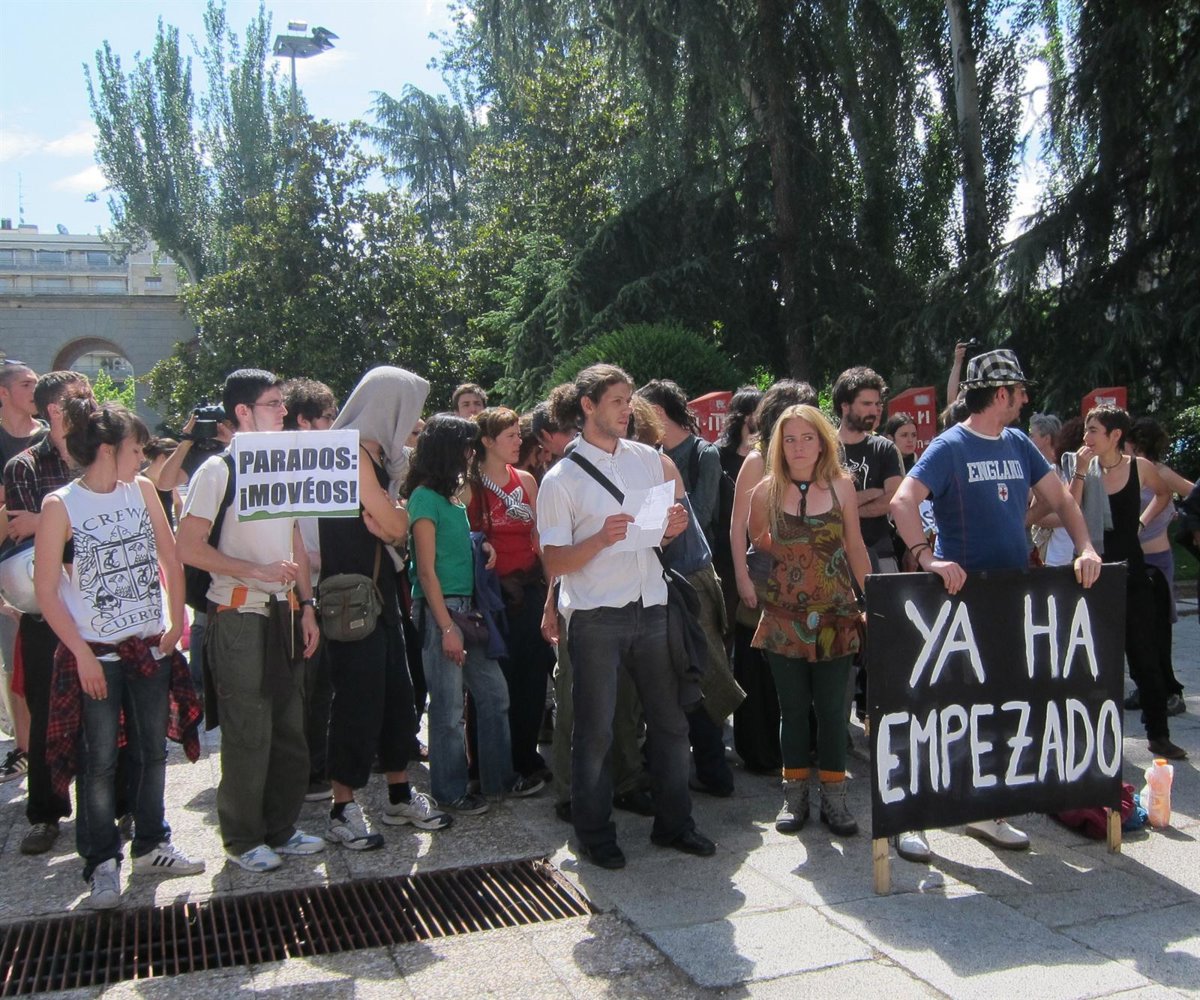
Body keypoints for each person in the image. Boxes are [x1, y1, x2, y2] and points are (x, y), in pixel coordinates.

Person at [891, 348, 1103, 859]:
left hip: (1010, 597)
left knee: (996, 705)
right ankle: (912, 818)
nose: (1026, 400)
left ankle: (986, 811)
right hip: (956, 598)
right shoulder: (950, 445)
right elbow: (902, 500)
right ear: (1001, 393)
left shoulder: (1018, 443)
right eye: (1020, 392)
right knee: (938, 710)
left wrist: (1086, 547)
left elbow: (1061, 498)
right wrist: (926, 556)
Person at [538, 364, 715, 870]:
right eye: (616, 399)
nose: (627, 408)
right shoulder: (561, 479)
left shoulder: (648, 460)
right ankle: (594, 834)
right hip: (596, 615)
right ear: (587, 406)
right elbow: (554, 562)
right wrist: (599, 538)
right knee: (595, 732)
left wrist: (671, 527)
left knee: (670, 723)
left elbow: (659, 534)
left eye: (629, 398)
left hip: (652, 604)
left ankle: (675, 824)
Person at [34, 398, 204, 908]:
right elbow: (46, 591)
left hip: (149, 647)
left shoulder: (144, 489)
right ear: (108, 449)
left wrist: (173, 622)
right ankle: (101, 860)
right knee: (99, 761)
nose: (143, 458)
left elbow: (170, 558)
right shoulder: (60, 505)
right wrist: (81, 655)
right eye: (136, 449)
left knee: (153, 751)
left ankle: (152, 843)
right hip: (97, 654)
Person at [176, 369, 324, 873]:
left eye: (282, 403)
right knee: (248, 730)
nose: (284, 412)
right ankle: (242, 839)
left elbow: (295, 538)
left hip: (285, 612)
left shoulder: (283, 465)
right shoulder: (217, 470)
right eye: (273, 404)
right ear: (243, 412)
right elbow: (187, 547)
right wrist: (254, 570)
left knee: (289, 726)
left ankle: (281, 827)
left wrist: (307, 604)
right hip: (238, 612)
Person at [319, 368, 452, 848]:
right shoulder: (347, 451)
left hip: (380, 594)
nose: (414, 419)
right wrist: (395, 521)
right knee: (357, 702)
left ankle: (398, 794)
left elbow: (396, 525)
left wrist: (394, 521)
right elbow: (397, 527)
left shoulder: (378, 456)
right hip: (352, 598)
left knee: (399, 695)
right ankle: (342, 808)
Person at [748, 404, 871, 836]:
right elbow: (758, 541)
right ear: (779, 446)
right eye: (790, 439)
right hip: (784, 618)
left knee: (834, 712)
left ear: (823, 442)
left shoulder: (843, 486)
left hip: (837, 615)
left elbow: (855, 546)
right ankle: (794, 795)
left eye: (807, 437)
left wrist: (873, 599)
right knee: (793, 710)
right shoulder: (764, 491)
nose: (799, 447)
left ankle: (835, 799)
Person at [405, 413, 532, 814]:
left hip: (467, 610)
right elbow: (426, 570)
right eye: (466, 446)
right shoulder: (424, 497)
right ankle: (450, 792)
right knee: (447, 711)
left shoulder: (451, 497)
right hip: (441, 612)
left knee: (494, 696)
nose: (471, 452)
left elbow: (456, 544)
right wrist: (446, 627)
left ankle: (497, 781)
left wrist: (481, 544)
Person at [3, 370, 92, 855]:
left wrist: (52, 522)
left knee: (108, 713)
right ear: (54, 410)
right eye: (80, 399)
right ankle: (45, 814)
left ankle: (118, 808)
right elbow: (24, 535)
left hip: (99, 604)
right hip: (47, 608)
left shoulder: (99, 451)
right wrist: (78, 523)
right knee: (45, 716)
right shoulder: (24, 466)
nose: (90, 406)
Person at [635, 380, 737, 798]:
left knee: (701, 676)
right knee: (688, 676)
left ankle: (713, 772)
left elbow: (656, 534)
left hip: (689, 580)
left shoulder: (659, 463)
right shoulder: (654, 461)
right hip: (676, 579)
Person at [1067, 406, 1184, 758]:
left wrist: (1141, 523)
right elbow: (1069, 509)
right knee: (1094, 661)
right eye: (1086, 430)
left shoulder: (1139, 467)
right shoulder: (1083, 467)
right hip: (1092, 571)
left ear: (1115, 435)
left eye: (1093, 430)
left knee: (1145, 656)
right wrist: (1080, 471)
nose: (1086, 437)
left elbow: (1164, 494)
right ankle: (1092, 741)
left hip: (1131, 569)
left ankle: (1158, 734)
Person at [729, 380, 817, 775]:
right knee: (759, 671)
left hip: (807, 584)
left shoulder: (817, 458)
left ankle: (799, 748)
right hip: (765, 580)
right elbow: (737, 527)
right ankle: (761, 752)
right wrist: (742, 580)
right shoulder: (758, 459)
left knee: (799, 670)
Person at [467, 407, 555, 783]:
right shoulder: (469, 486)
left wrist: (552, 593)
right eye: (510, 436)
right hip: (491, 598)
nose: (520, 441)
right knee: (492, 682)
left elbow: (540, 540)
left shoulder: (527, 481)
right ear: (487, 441)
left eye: (519, 434)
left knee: (531, 677)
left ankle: (525, 758)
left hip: (529, 590)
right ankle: (485, 765)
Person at [281, 378, 339, 803]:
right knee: (302, 688)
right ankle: (302, 773)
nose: (334, 425)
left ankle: (317, 767)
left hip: (325, 591)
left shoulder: (331, 464)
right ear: (303, 421)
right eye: (327, 417)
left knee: (322, 688)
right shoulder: (280, 468)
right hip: (294, 596)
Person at [1126, 416, 1193, 716]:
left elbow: (1193, 492)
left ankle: (1171, 692)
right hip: (1134, 559)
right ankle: (1146, 687)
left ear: (1137, 443)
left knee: (1158, 629)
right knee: (1136, 629)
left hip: (1158, 559)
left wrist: (1185, 517)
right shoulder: (1128, 471)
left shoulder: (1161, 472)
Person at [0, 359, 46, 783]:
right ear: (4, 393)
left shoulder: (49, 437)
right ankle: (24, 749)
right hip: (8, 568)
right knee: (16, 668)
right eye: (27, 384)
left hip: (48, 562)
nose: (36, 390)